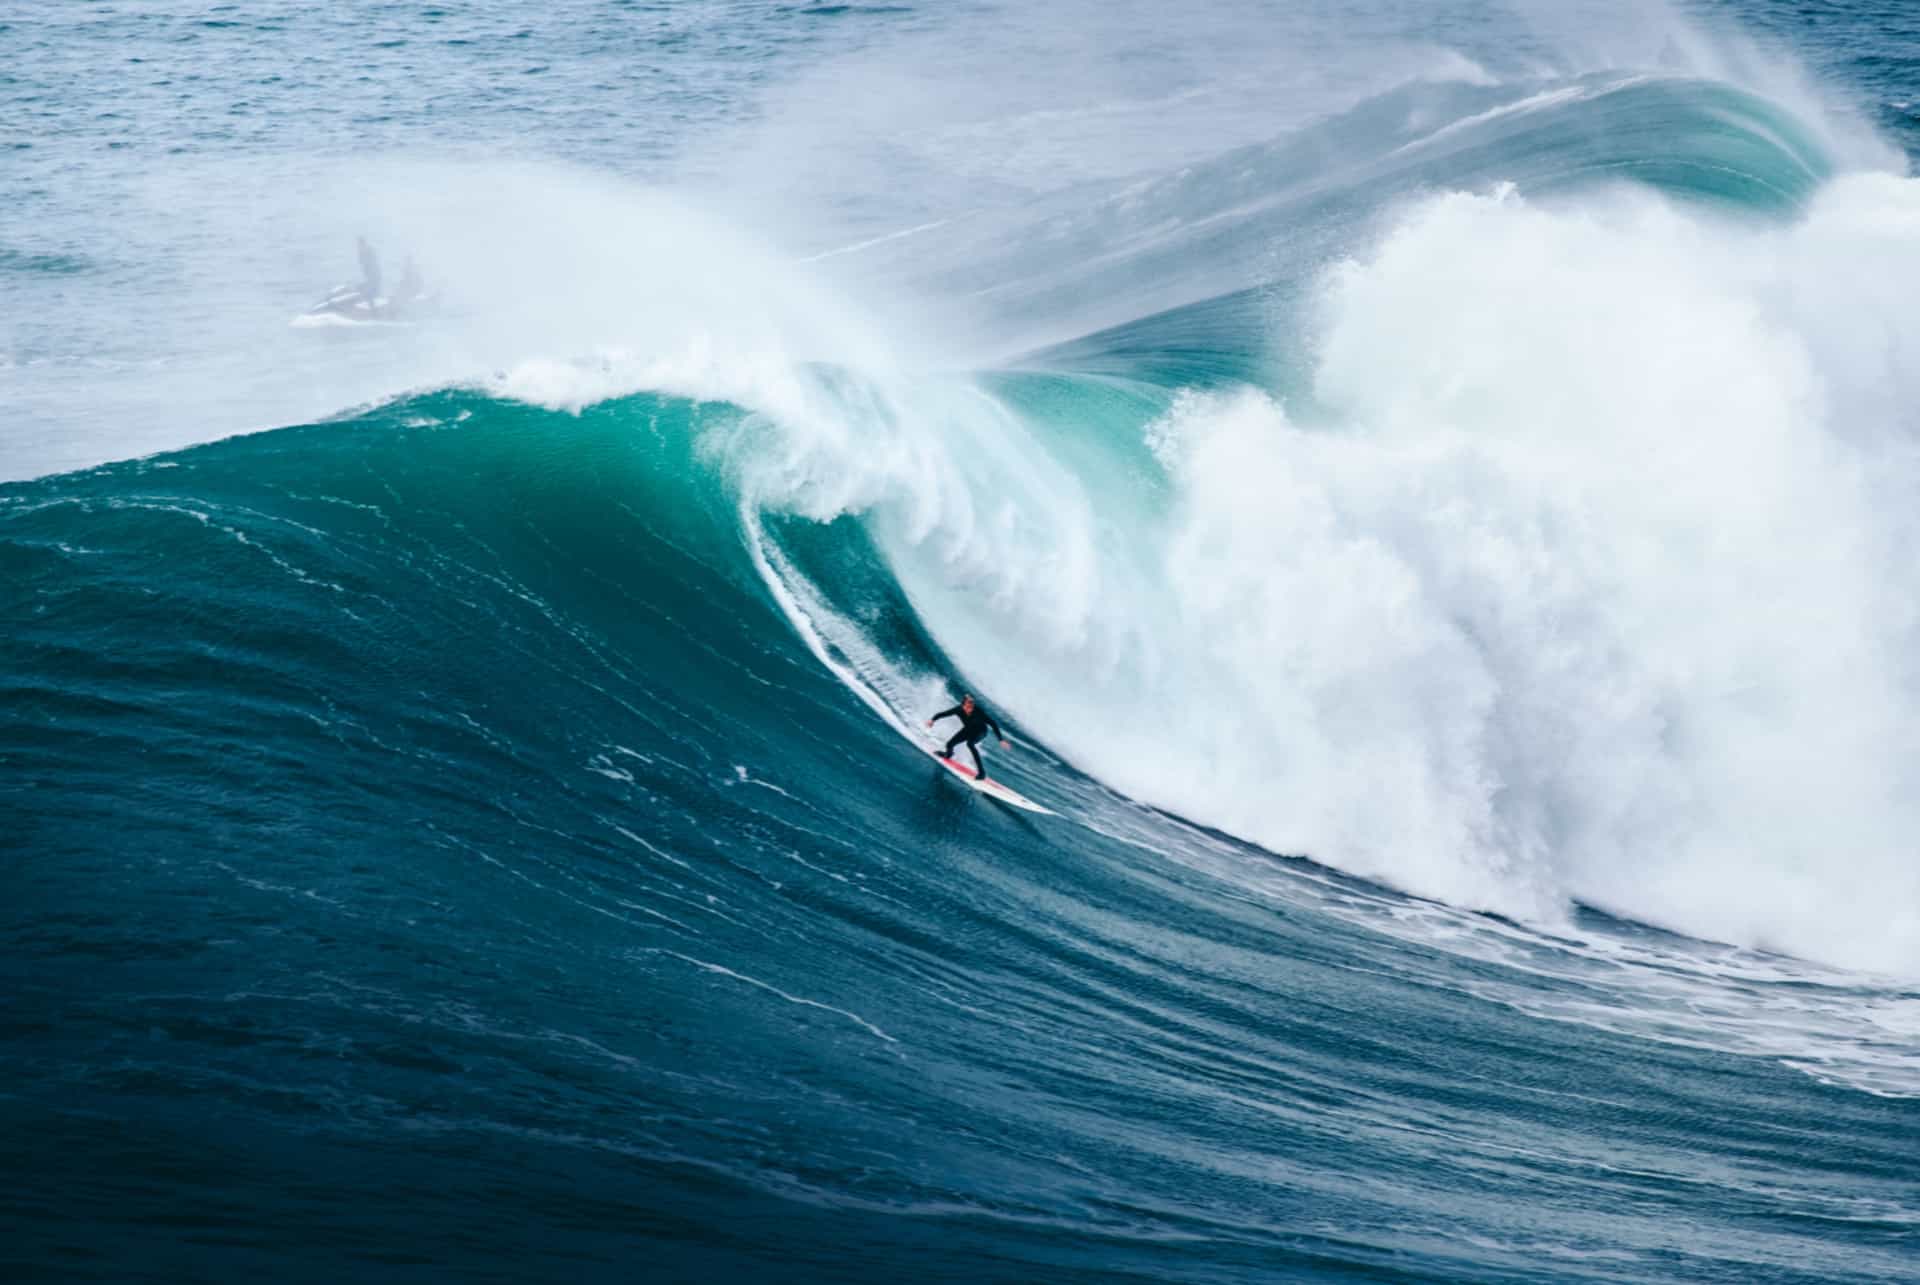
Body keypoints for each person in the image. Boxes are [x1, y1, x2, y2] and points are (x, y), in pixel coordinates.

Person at [927, 694, 1011, 782]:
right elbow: (943, 714)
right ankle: (948, 754)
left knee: (970, 744)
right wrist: (932, 720)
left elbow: (992, 723)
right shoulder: (958, 709)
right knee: (949, 744)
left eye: (972, 704)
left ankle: (981, 772)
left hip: (981, 731)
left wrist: (1000, 740)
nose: (971, 706)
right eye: (969, 704)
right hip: (968, 730)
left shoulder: (978, 711)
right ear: (963, 704)